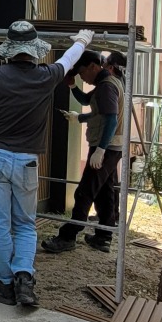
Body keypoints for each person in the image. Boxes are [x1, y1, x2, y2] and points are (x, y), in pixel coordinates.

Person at [0, 20, 94, 310]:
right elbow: (69, 60)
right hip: (27, 161)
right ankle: (24, 278)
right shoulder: (47, 75)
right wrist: (83, 39)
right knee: (25, 224)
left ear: (9, 49)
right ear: (35, 51)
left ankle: (3, 283)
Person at [42, 51, 126, 254]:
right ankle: (103, 237)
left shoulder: (107, 87)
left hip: (106, 147)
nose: (82, 78)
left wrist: (100, 150)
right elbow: (88, 102)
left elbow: (111, 119)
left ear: (93, 66)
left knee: (84, 192)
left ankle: (67, 237)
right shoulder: (107, 83)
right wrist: (72, 86)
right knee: (104, 192)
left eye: (81, 73)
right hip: (112, 146)